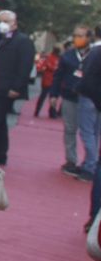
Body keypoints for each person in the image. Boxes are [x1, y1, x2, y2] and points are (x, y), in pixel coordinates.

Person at [0, 10, 34, 165]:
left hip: (6, 88)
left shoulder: (23, 41)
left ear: (14, 23)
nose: (2, 24)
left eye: (6, 21)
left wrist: (17, 87)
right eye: (0, 21)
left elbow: (25, 66)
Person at [67, 26, 101, 182]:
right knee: (94, 133)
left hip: (89, 97)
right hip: (96, 98)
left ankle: (90, 166)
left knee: (87, 132)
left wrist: (79, 89)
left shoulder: (95, 52)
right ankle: (90, 163)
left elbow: (87, 77)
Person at [34, 45, 60, 117]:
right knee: (43, 96)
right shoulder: (49, 57)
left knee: (53, 97)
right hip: (48, 79)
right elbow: (48, 66)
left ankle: (52, 112)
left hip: (54, 80)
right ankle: (37, 111)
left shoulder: (58, 58)